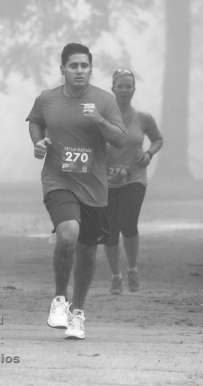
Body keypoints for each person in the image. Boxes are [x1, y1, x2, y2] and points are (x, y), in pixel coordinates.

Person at [26, 43, 126, 340]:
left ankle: (78, 313)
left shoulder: (104, 101)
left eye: (84, 66)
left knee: (86, 250)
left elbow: (120, 139)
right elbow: (35, 122)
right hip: (59, 180)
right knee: (67, 233)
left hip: (94, 186)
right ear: (63, 70)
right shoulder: (47, 99)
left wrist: (99, 120)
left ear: (90, 69)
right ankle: (59, 299)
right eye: (74, 66)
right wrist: (38, 142)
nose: (80, 71)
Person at [104, 69, 163, 294]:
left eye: (129, 86)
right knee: (109, 231)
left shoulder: (144, 118)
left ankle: (132, 269)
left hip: (135, 178)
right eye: (121, 86)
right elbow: (93, 148)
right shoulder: (103, 119)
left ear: (134, 89)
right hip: (107, 181)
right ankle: (115, 276)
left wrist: (148, 154)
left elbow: (158, 139)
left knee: (128, 224)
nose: (125, 90)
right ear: (113, 89)